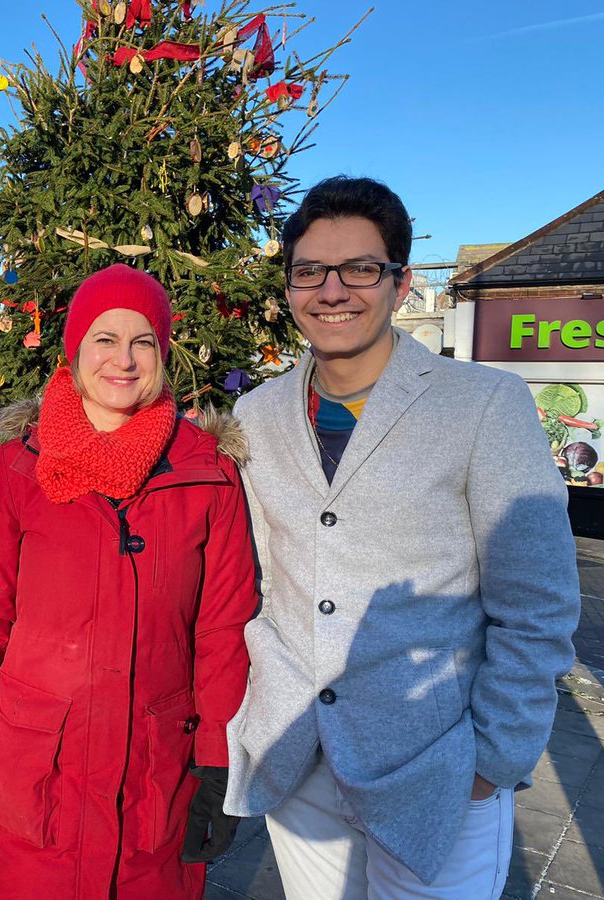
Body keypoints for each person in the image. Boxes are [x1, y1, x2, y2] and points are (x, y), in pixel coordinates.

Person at [224, 176, 582, 898]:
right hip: (300, 764)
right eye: (309, 272)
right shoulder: (256, 416)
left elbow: (537, 602)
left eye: (360, 268)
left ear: (401, 282)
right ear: (289, 286)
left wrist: (494, 760)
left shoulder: (484, 405)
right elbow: (267, 579)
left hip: (438, 773)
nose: (333, 291)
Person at [0, 264, 258, 898]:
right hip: (35, 783)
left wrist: (219, 763)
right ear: (76, 350)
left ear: (163, 353)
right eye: (105, 339)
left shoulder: (207, 475)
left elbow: (223, 631)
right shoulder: (18, 470)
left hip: (154, 790)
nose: (123, 360)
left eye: (143, 342)